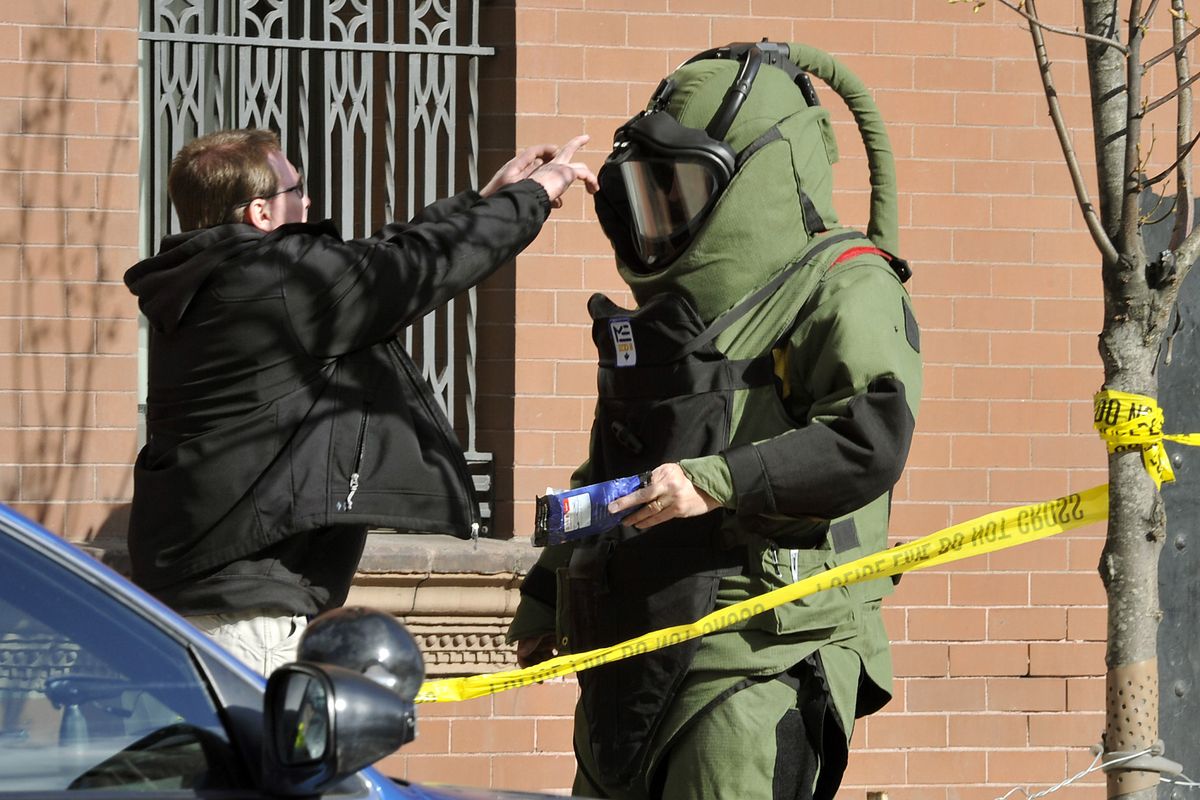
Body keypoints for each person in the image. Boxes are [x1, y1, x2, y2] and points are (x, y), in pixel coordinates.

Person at [508, 42, 922, 799]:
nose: (662, 216)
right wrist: (550, 590)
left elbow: (870, 439)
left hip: (756, 654)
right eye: (650, 193)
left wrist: (718, 481)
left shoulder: (844, 285)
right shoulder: (674, 320)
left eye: (683, 191)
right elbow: (612, 472)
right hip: (632, 648)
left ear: (758, 178)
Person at [126, 127, 596, 675]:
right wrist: (536, 193)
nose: (308, 202)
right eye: (296, 191)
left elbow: (378, 260)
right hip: (247, 615)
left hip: (196, 600)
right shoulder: (277, 282)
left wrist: (482, 202)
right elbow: (419, 265)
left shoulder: (212, 282)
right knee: (266, 761)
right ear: (259, 213)